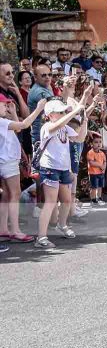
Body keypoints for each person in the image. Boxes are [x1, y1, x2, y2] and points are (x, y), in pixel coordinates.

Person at [35, 98, 98, 249]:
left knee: (66, 201)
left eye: (64, 111)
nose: (64, 113)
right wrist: (75, 111)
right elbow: (57, 125)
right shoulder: (47, 126)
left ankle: (61, 225)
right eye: (60, 111)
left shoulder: (64, 128)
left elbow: (79, 137)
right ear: (50, 114)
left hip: (64, 168)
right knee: (50, 202)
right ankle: (41, 237)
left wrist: (84, 120)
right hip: (50, 168)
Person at [0, 95, 46, 243]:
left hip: (6, 161)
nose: (6, 107)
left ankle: (3, 229)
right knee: (15, 194)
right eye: (4, 105)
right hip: (8, 161)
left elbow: (17, 130)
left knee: (7, 195)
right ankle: (15, 230)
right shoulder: (2, 122)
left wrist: (13, 113)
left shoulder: (4, 122)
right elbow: (25, 125)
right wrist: (39, 108)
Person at [86, 135, 107, 206]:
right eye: (96, 142)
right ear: (91, 143)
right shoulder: (91, 152)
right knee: (94, 187)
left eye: (100, 142)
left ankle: (99, 198)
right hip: (93, 173)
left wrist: (104, 167)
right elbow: (91, 163)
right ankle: (93, 199)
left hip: (101, 173)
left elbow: (104, 161)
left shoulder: (102, 153)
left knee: (100, 186)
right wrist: (100, 165)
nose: (98, 144)